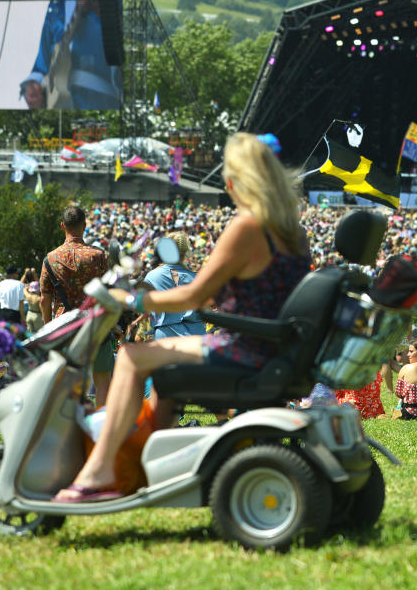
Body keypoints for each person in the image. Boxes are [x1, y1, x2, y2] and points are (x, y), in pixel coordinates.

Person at [54, 133, 311, 502]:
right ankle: (145, 467)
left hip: (245, 350)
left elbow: (193, 295)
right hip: (271, 347)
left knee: (131, 355)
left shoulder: (248, 227)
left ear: (238, 181)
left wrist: (131, 299)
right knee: (160, 362)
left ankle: (100, 472)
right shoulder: (294, 233)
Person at [41, 205, 111, 405]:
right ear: (85, 226)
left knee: (65, 379)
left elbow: (44, 298)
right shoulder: (98, 256)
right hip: (96, 324)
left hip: (64, 327)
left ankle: (66, 425)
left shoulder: (50, 259)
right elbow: (109, 292)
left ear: (63, 226)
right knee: (103, 380)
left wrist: (48, 327)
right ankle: (100, 424)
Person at [18, 0, 121, 110]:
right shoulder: (57, 5)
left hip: (100, 101)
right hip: (59, 108)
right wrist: (32, 86)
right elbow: (42, 64)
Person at [142, 232, 205, 339]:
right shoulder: (197, 278)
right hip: (196, 335)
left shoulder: (151, 276)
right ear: (185, 252)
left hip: (165, 335)